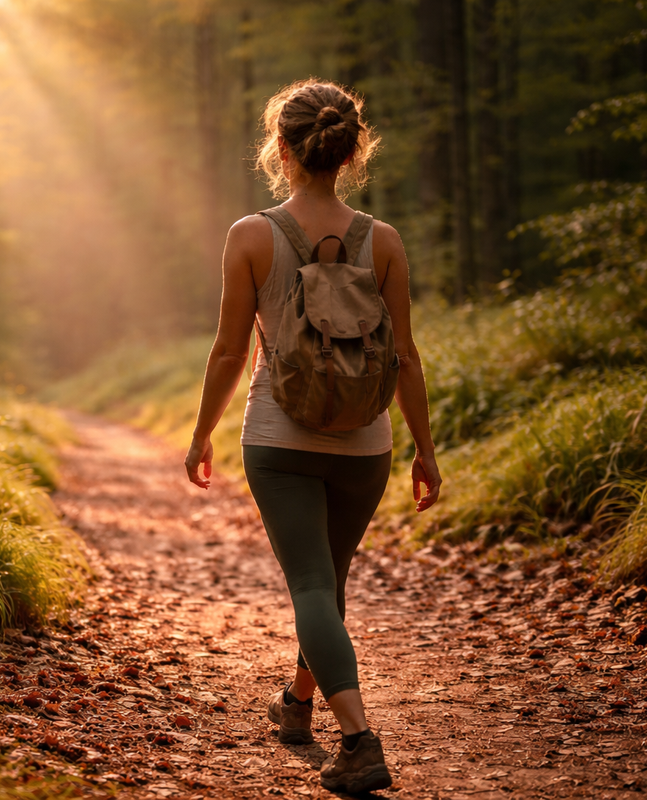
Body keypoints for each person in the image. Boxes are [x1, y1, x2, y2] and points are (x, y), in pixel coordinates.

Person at [184, 79, 442, 794]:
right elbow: (405, 357)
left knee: (310, 584)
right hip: (366, 441)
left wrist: (202, 433)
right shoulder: (382, 241)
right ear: (352, 152)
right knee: (327, 582)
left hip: (280, 438)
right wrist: (424, 450)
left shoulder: (250, 235)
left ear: (282, 149)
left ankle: (358, 740)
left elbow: (229, 352)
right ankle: (297, 704)